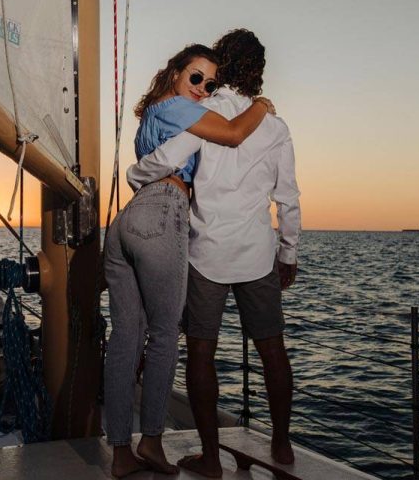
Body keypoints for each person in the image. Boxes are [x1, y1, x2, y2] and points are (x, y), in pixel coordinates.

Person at [127, 29, 301, 477]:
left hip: (205, 254)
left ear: (222, 65)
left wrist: (134, 174)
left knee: (201, 355)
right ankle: (282, 445)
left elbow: (163, 161)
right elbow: (288, 199)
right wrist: (289, 253)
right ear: (259, 73)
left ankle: (210, 458)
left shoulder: (202, 115)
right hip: (258, 256)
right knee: (272, 352)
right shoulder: (277, 128)